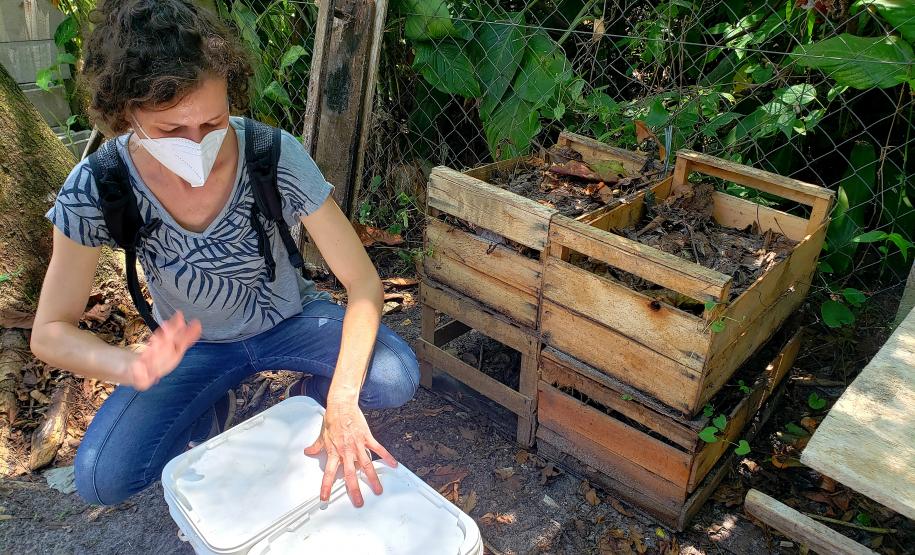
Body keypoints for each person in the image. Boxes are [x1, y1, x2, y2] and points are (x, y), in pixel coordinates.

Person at [29, 0, 419, 508]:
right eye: (171, 131)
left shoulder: (271, 153)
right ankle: (211, 404)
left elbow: (364, 285)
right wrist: (129, 367)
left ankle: (316, 393)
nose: (197, 144)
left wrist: (343, 397)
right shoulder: (99, 183)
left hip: (290, 318)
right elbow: (49, 332)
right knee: (104, 477)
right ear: (126, 115)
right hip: (194, 346)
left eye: (213, 122)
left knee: (394, 376)